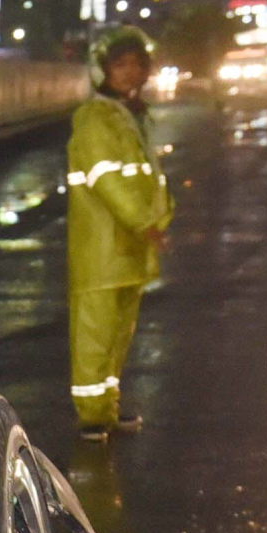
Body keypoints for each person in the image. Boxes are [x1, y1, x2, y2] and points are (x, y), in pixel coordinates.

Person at [66, 25, 173, 437]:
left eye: (137, 64)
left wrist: (161, 218)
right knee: (95, 336)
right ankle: (92, 419)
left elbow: (151, 178)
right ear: (102, 70)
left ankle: (107, 410)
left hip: (129, 249)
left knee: (117, 338)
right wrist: (148, 224)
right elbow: (107, 179)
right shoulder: (94, 117)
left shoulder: (130, 116)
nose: (131, 73)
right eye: (121, 64)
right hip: (101, 250)